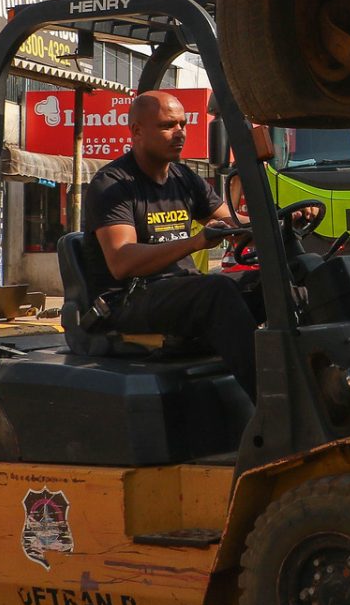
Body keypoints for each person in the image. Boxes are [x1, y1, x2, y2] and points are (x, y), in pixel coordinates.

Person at [83, 91, 259, 395]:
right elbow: (122, 261)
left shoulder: (183, 177)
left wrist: (276, 222)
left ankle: (319, 385)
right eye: (168, 126)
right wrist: (195, 242)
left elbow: (233, 222)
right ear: (137, 131)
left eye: (183, 124)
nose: (180, 133)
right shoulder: (112, 184)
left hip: (179, 291)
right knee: (216, 290)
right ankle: (276, 401)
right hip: (130, 299)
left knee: (281, 281)